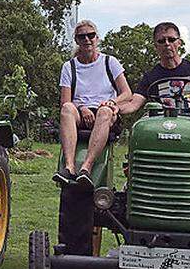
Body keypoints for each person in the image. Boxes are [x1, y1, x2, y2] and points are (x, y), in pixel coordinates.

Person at [54, 20, 133, 188]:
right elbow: (65, 101)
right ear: (76, 40)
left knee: (104, 111)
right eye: (82, 37)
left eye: (90, 35)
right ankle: (69, 167)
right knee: (67, 109)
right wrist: (82, 108)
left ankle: (87, 167)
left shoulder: (109, 62)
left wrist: (112, 102)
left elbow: (127, 94)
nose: (87, 40)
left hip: (105, 113)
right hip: (81, 113)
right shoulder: (69, 67)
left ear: (97, 38)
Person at [118, 21, 190, 148]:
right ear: (155, 46)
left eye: (171, 39)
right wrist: (115, 107)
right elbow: (134, 103)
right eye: (161, 41)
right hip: (161, 120)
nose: (167, 44)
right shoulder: (151, 76)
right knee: (140, 127)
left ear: (179, 43)